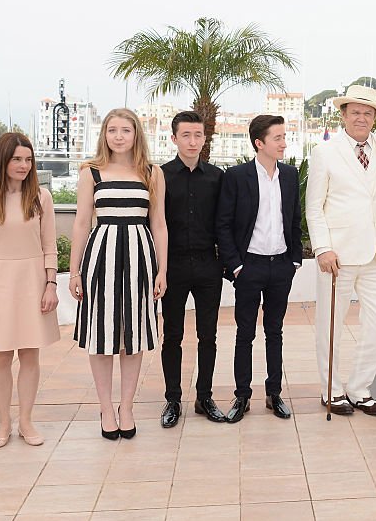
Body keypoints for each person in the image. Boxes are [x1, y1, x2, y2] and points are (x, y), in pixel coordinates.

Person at [306, 85, 376, 416]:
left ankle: (359, 388)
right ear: (343, 115)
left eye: (367, 112)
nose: (361, 118)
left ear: (375, 117)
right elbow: (314, 206)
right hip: (338, 254)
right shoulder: (325, 152)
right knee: (331, 324)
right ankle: (331, 389)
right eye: (355, 112)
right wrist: (322, 248)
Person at [70, 108, 168, 440]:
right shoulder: (91, 172)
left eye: (125, 130)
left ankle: (126, 407)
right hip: (101, 258)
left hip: (140, 258)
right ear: (105, 135)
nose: (119, 136)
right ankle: (106, 407)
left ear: (136, 134)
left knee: (133, 335)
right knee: (101, 336)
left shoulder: (152, 172)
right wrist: (75, 272)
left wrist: (162, 271)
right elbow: (82, 222)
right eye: (112, 130)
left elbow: (159, 224)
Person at [0, 132, 60, 447]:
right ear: (2, 161)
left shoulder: (41, 198)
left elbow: (50, 245)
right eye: (17, 159)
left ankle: (26, 421)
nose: (24, 165)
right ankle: (3, 423)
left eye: (28, 159)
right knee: (1, 357)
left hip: (33, 281)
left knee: (30, 355)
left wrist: (51, 284)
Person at [217, 115, 303, 422]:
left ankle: (274, 394)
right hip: (249, 267)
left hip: (281, 266)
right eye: (278, 138)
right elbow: (223, 225)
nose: (284, 143)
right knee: (244, 334)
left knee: (275, 332)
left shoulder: (290, 175)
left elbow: (294, 219)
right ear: (259, 143)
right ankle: (242, 396)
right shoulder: (237, 175)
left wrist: (294, 261)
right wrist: (237, 266)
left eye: (284, 136)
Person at [158, 111, 227, 427]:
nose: (192, 141)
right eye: (186, 135)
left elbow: (225, 224)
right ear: (174, 139)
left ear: (204, 138)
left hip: (207, 266)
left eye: (198, 135)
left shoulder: (217, 177)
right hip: (171, 266)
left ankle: (204, 397)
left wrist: (226, 264)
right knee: (171, 335)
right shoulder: (160, 176)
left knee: (208, 336)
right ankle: (172, 399)